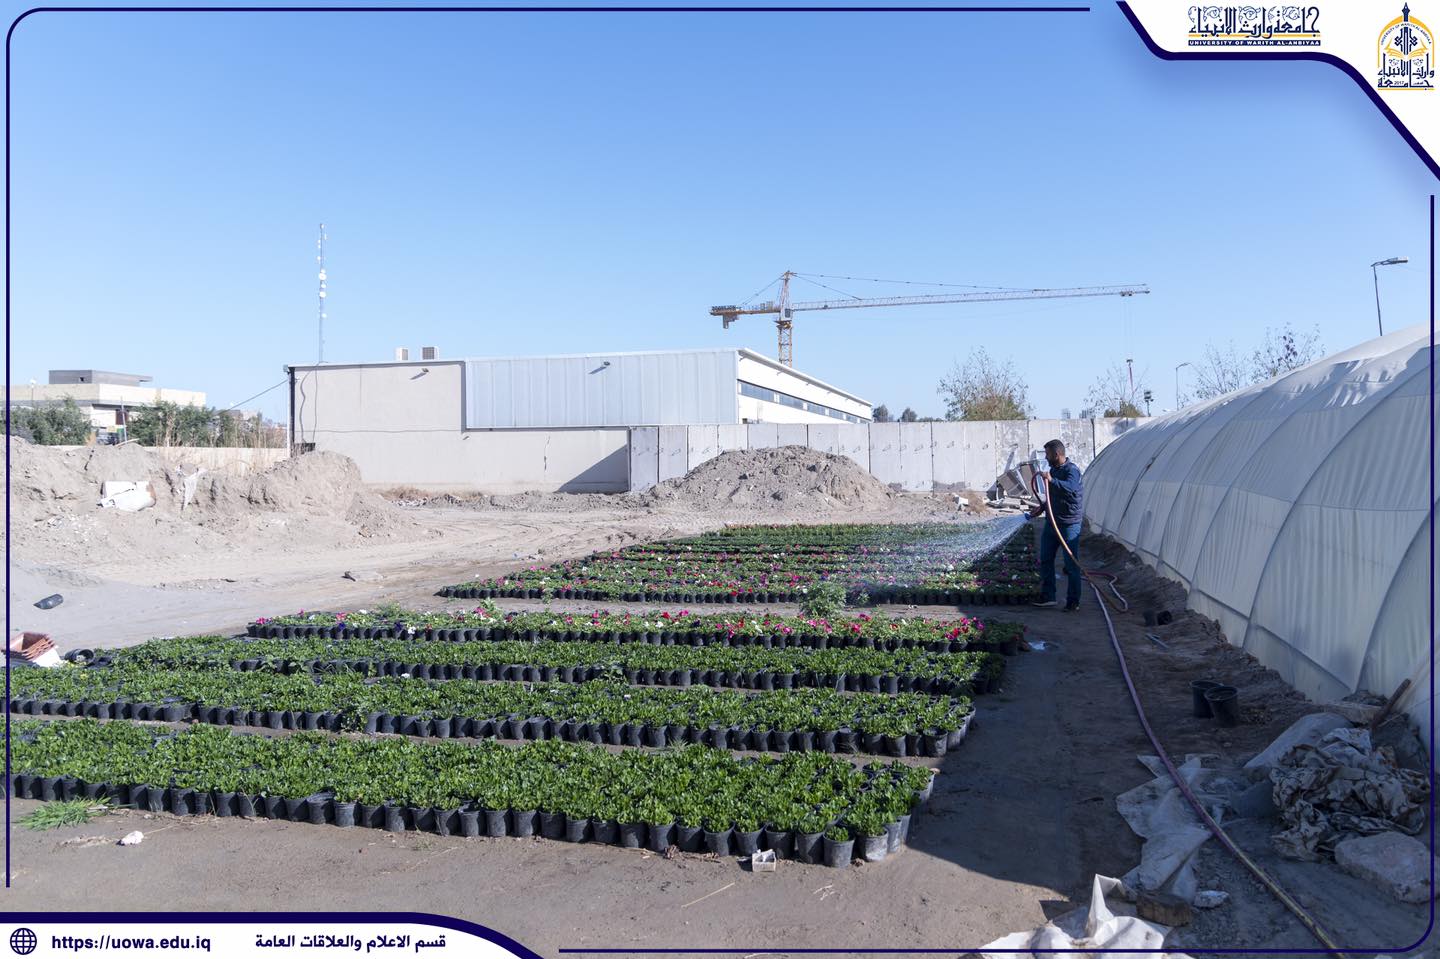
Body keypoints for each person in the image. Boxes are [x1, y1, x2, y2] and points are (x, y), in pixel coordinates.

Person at [1029, 439, 1084, 611]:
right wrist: (1042, 508)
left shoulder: (1072, 471)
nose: (1046, 458)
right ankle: (1048, 596)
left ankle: (1073, 601)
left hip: (1069, 525)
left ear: (1056, 454)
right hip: (1052, 523)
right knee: (1046, 559)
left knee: (1071, 565)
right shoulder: (1054, 469)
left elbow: (1070, 488)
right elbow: (1053, 495)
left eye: (1047, 454)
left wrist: (1052, 480)